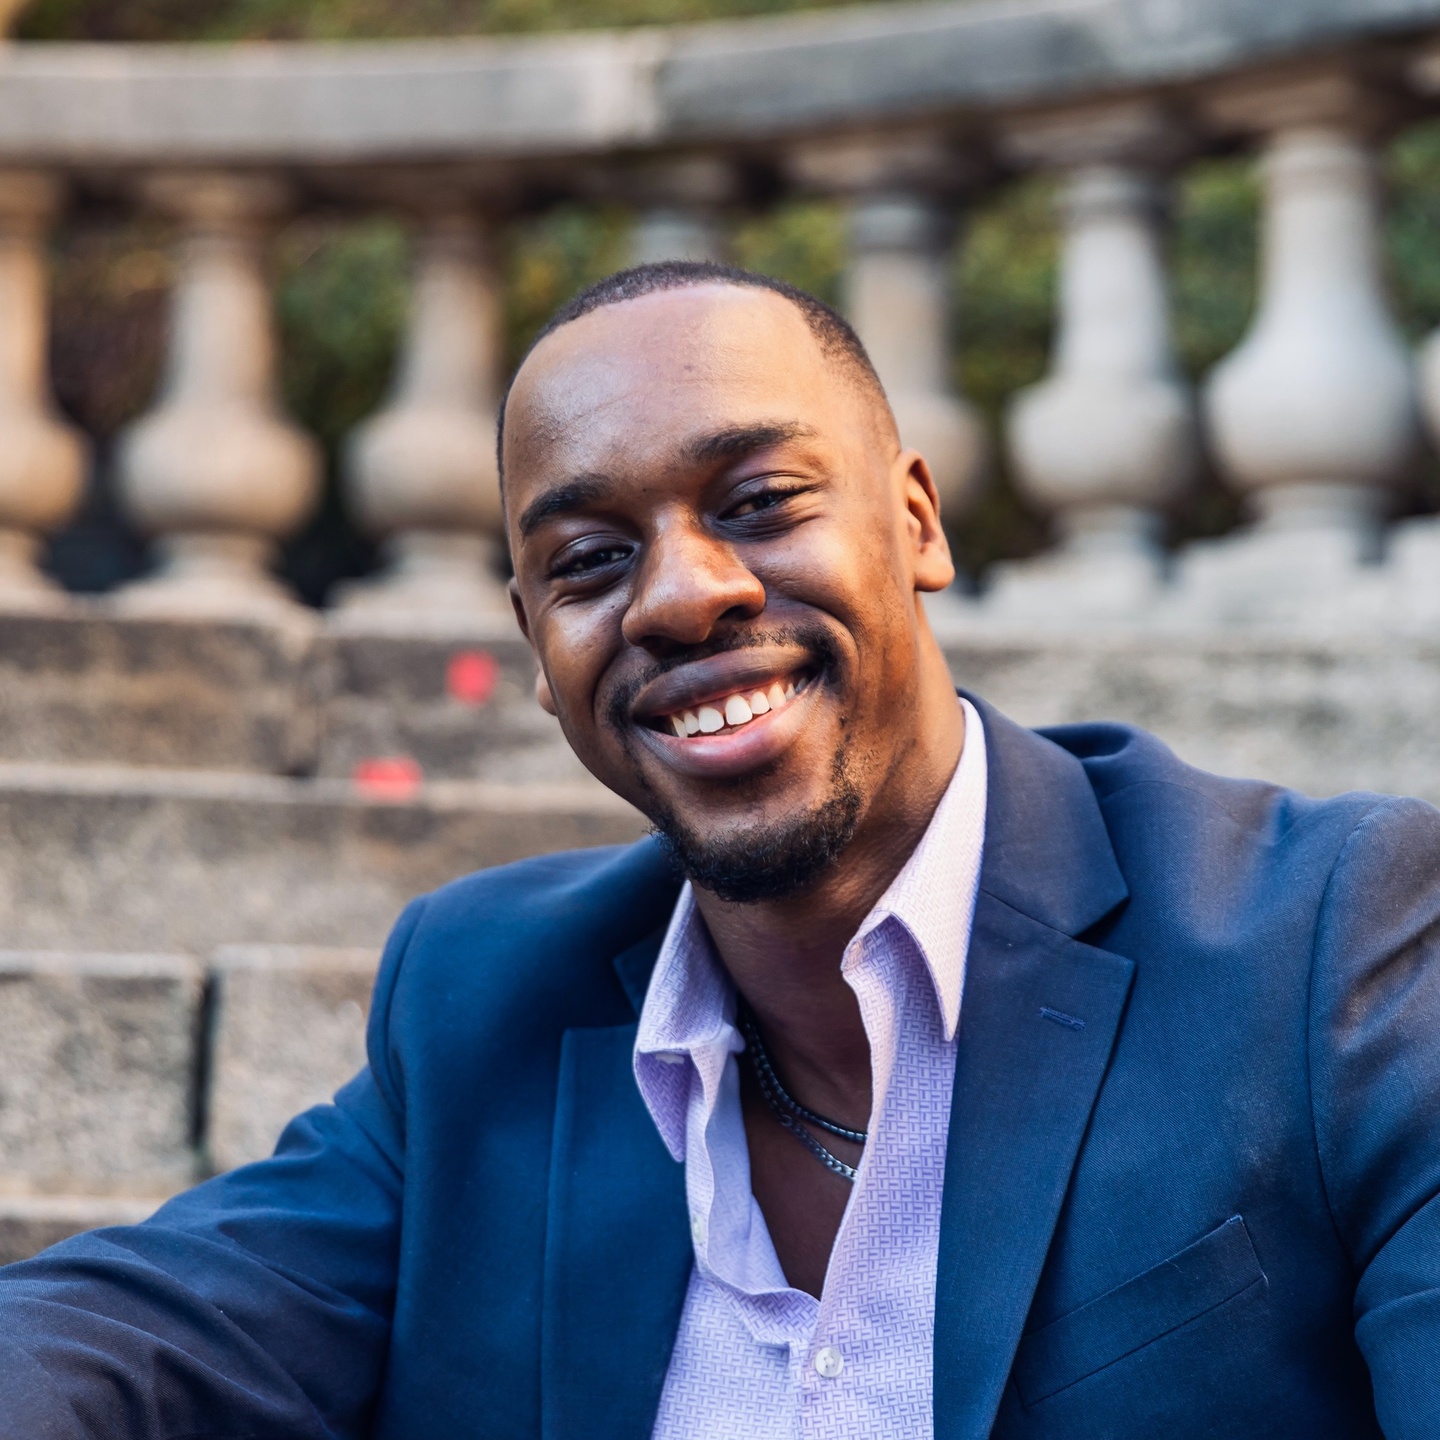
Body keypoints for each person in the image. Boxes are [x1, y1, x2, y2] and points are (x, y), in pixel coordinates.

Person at [3, 261, 1440, 1440]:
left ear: (916, 522)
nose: (682, 598)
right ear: (537, 649)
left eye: (759, 503)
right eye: (589, 560)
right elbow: (135, 1330)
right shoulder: (479, 1004)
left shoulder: (1330, 945)